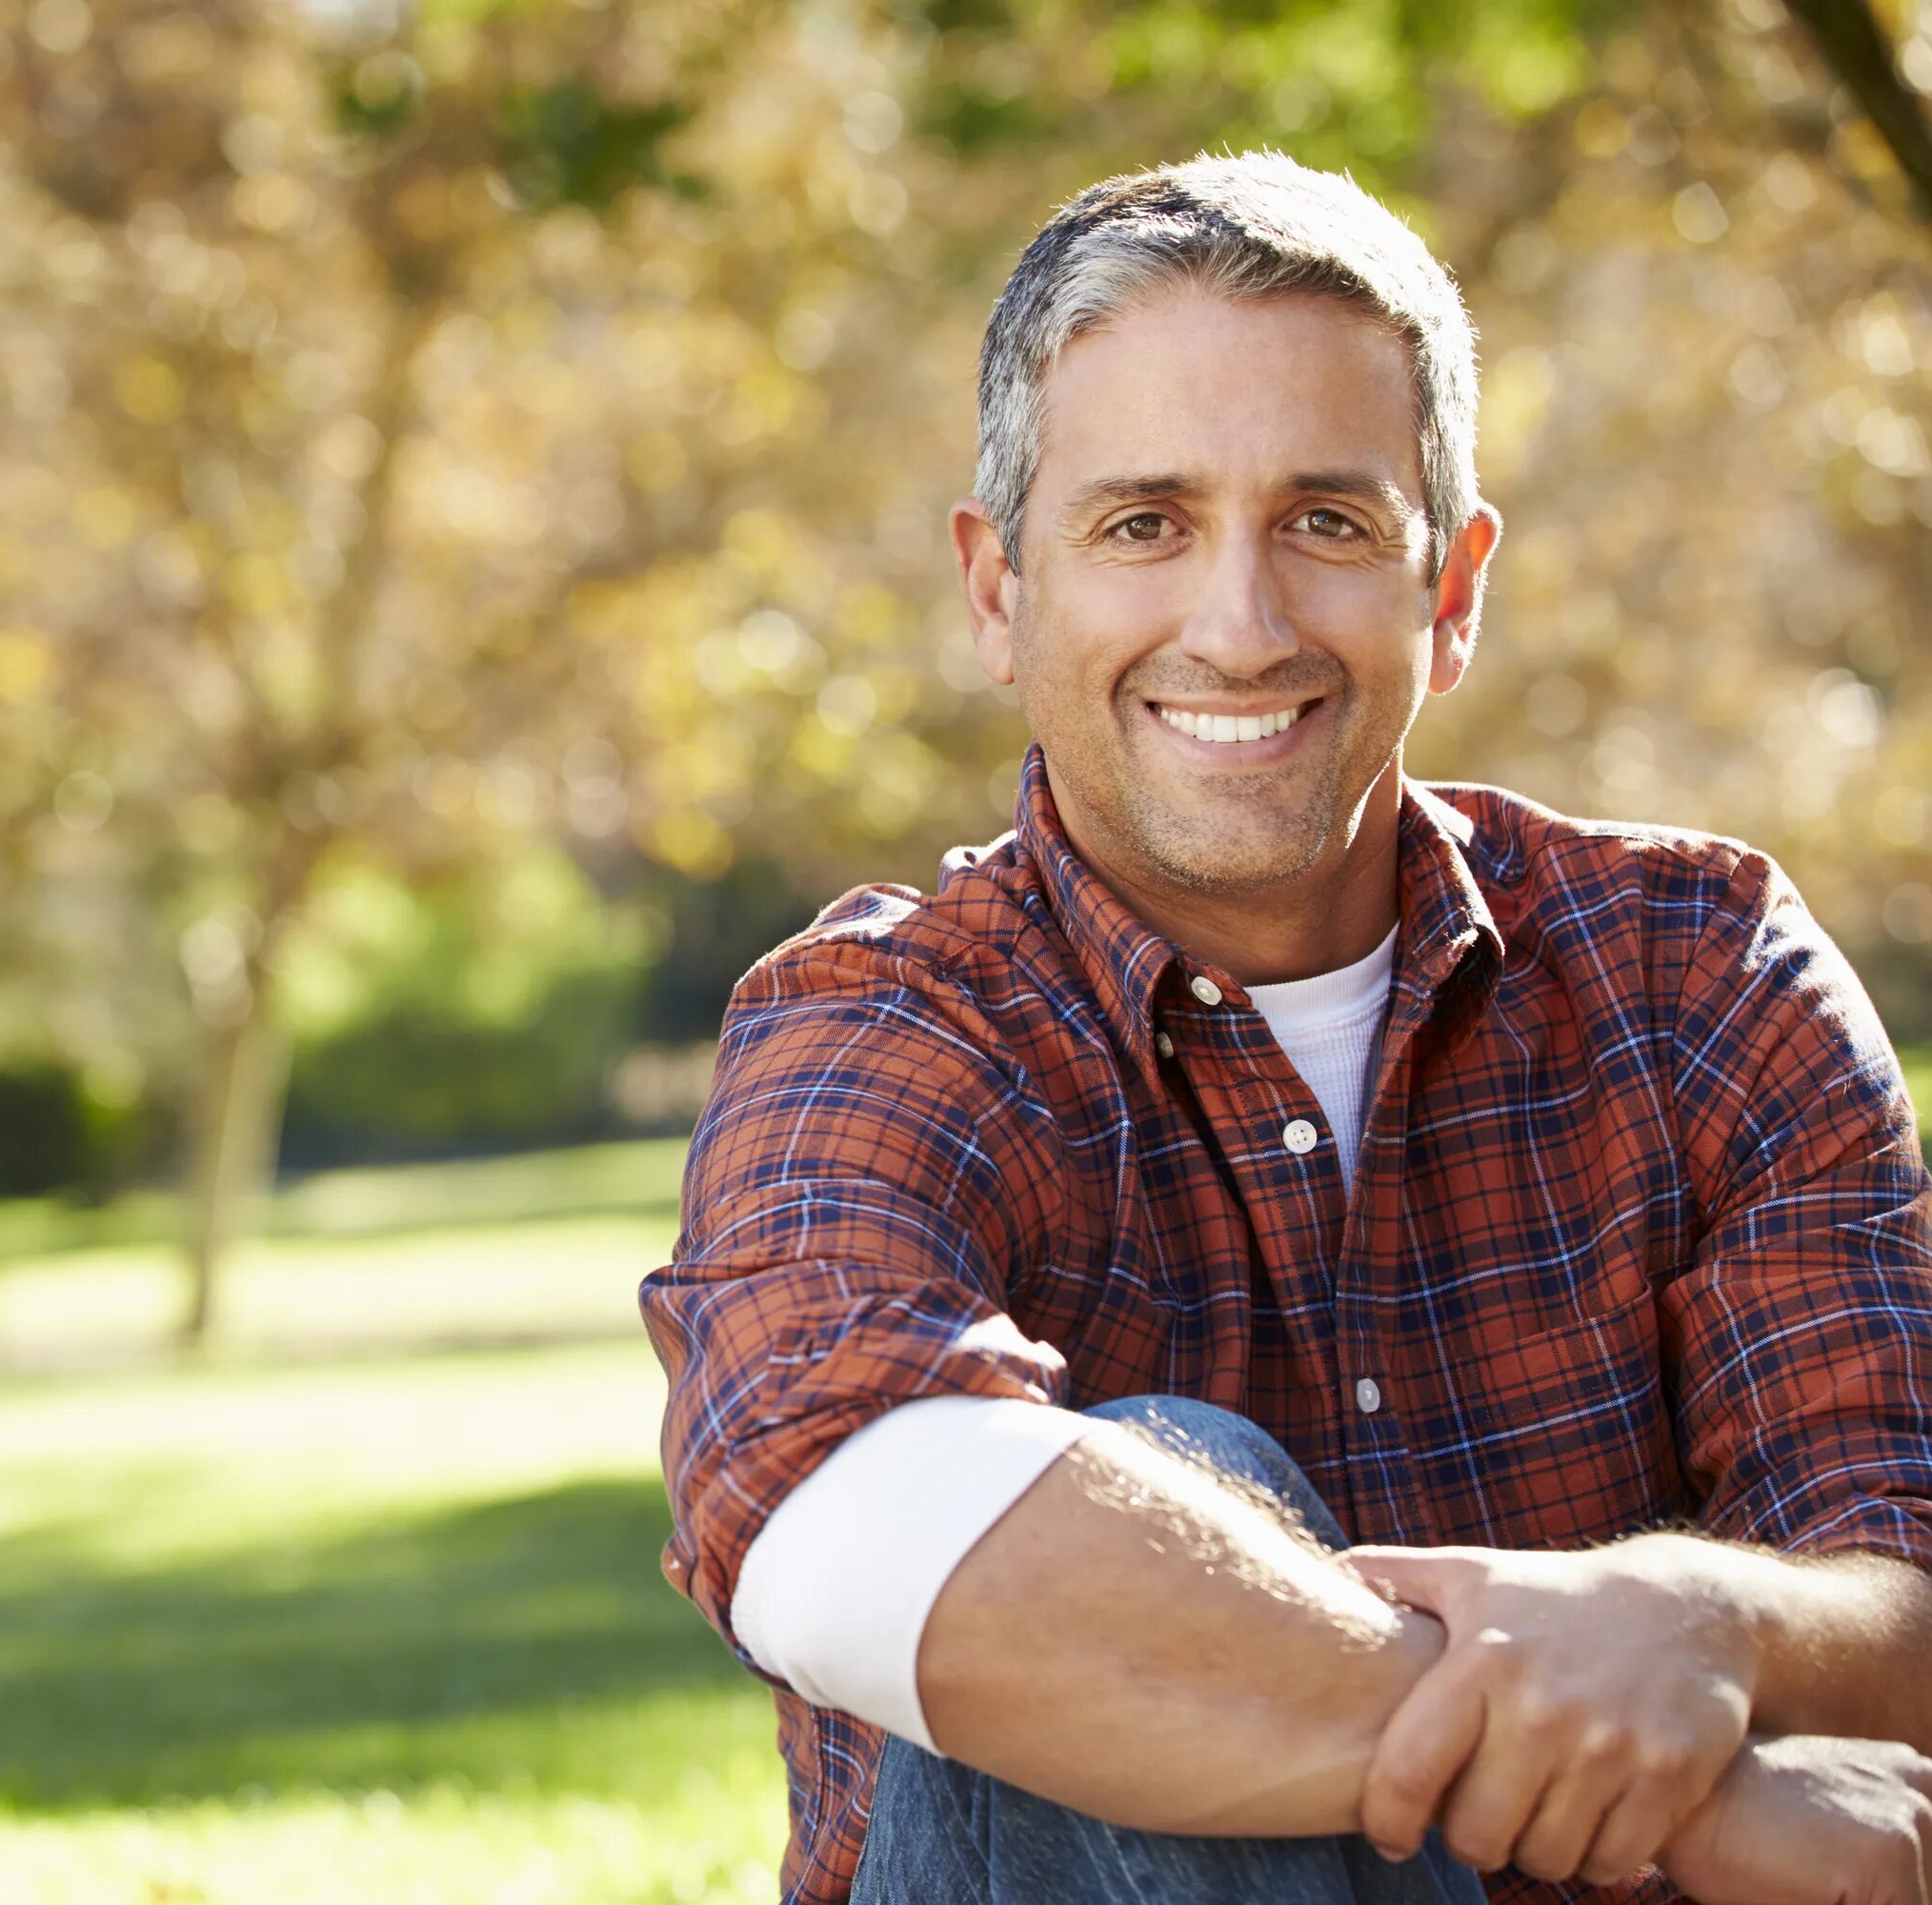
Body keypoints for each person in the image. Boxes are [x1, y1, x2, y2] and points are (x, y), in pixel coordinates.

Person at [639, 151, 1932, 1905]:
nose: (1238, 629)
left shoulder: (1698, 973)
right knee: (1158, 1495)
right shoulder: (886, 1024)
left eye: (1326, 522)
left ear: (1451, 589)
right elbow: (845, 1517)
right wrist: (1652, 1785)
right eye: (1141, 525)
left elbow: (1903, 1575)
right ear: (1000, 588)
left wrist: (1704, 1614)